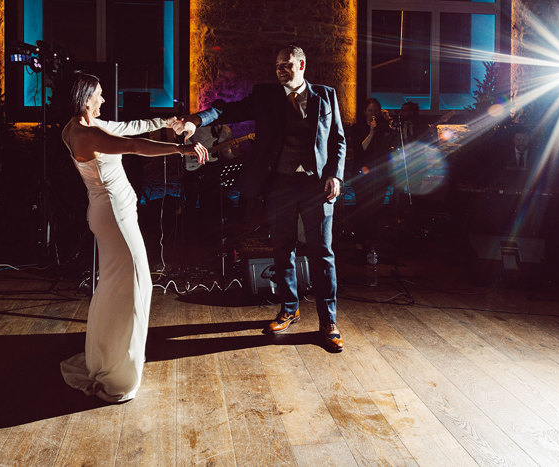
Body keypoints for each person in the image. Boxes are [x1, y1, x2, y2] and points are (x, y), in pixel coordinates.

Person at [177, 45, 346, 352]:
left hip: (316, 186)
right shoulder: (266, 96)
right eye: (278, 65)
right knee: (282, 250)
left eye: (287, 65)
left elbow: (338, 140)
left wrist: (336, 175)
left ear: (302, 65)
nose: (281, 70)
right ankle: (289, 309)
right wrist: (196, 120)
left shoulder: (327, 95)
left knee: (323, 253)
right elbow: (226, 109)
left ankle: (328, 322)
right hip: (280, 184)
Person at [59, 73, 207, 402]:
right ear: (86, 100)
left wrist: (166, 120)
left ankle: (104, 359)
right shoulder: (87, 134)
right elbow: (132, 145)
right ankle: (119, 375)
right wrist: (180, 149)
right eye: (98, 95)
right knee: (138, 284)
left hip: (108, 213)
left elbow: (127, 128)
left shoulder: (73, 127)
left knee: (112, 287)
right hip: (115, 218)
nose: (103, 100)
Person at [351, 98, 393, 257]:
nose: (373, 114)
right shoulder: (357, 128)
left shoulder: (383, 128)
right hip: (361, 172)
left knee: (377, 206)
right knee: (361, 206)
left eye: (375, 111)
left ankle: (373, 240)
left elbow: (387, 146)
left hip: (378, 172)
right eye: (370, 111)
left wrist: (387, 124)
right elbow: (361, 149)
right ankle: (360, 241)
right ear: (364, 112)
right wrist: (371, 132)